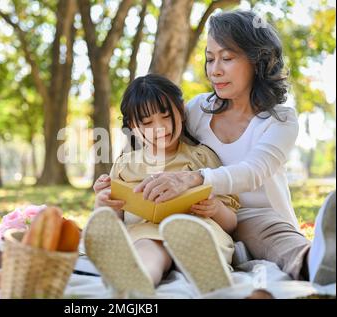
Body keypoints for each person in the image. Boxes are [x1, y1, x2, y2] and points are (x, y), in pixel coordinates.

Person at [94, 10, 335, 286]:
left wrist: (194, 179)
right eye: (210, 59)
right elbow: (158, 137)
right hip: (193, 217)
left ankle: (320, 262)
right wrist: (119, 188)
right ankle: (143, 274)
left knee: (282, 245)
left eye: (227, 58)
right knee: (157, 241)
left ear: (258, 61)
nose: (215, 70)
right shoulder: (197, 109)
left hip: (253, 217)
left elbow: (252, 172)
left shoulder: (280, 120)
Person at [84, 74, 240, 297]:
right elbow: (114, 221)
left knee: (200, 240)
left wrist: (216, 209)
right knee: (147, 249)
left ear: (181, 110)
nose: (159, 128)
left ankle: (209, 275)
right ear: (132, 126)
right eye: (147, 123)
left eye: (166, 116)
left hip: (199, 230)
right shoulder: (124, 166)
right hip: (147, 232)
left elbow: (232, 222)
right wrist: (104, 202)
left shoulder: (201, 159)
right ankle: (137, 283)